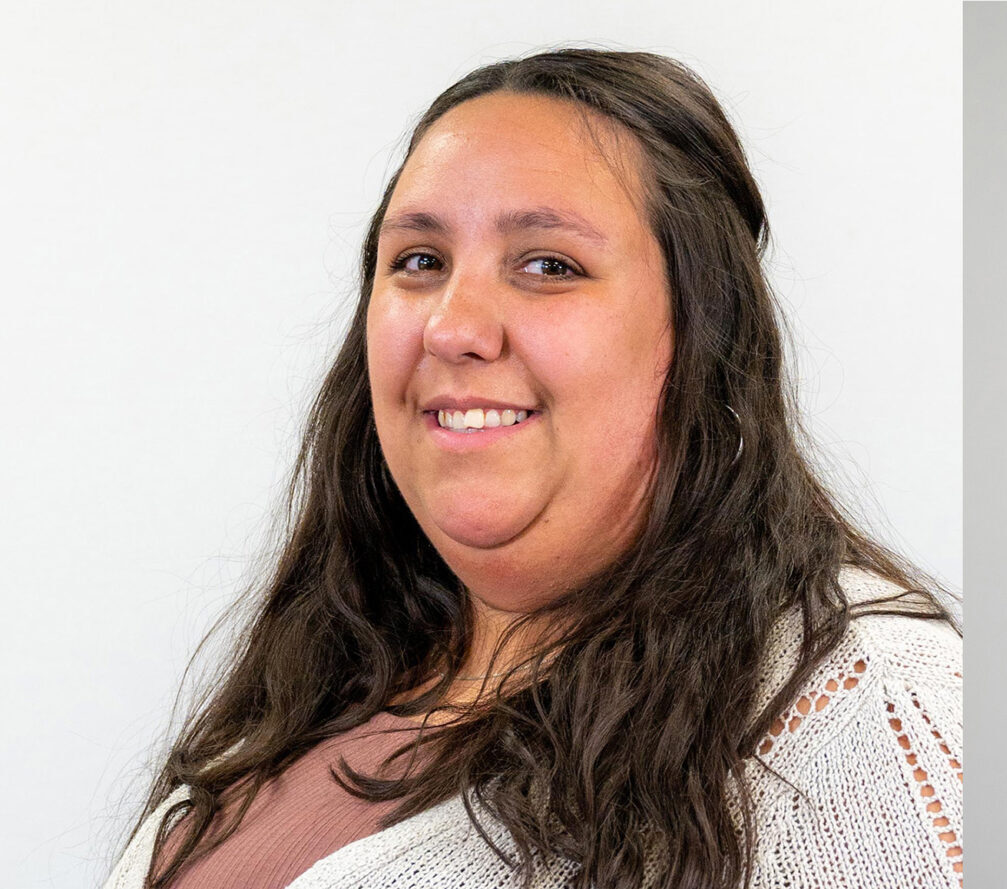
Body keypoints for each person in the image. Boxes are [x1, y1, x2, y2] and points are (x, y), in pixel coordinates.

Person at [103, 49, 962, 889]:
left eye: (549, 265)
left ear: (705, 337)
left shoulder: (880, 710)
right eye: (420, 262)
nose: (452, 325)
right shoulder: (323, 677)